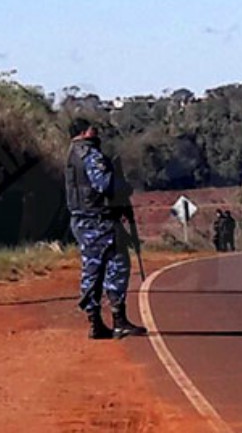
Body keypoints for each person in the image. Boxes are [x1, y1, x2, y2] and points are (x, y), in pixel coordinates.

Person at [65, 118, 147, 340]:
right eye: (92, 128)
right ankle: (118, 321)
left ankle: (96, 323)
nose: (96, 131)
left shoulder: (74, 154)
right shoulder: (90, 154)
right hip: (98, 221)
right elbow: (104, 185)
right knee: (116, 266)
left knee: (92, 270)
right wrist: (123, 186)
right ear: (83, 132)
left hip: (84, 219)